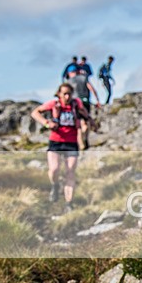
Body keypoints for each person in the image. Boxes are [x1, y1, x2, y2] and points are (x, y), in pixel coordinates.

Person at [30, 83, 96, 213]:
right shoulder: (54, 104)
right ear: (59, 94)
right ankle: (55, 186)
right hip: (55, 142)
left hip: (71, 143)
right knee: (54, 169)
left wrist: (88, 120)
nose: (67, 96)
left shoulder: (76, 104)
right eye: (64, 93)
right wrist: (46, 123)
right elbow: (35, 112)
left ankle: (68, 203)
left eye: (69, 94)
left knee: (70, 172)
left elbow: (85, 114)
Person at [67, 66, 101, 149]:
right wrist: (97, 100)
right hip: (85, 102)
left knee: (78, 124)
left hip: (75, 103)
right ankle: (85, 138)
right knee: (85, 122)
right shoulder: (83, 78)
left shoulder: (69, 82)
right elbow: (92, 89)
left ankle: (81, 144)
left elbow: (66, 95)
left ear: (69, 73)